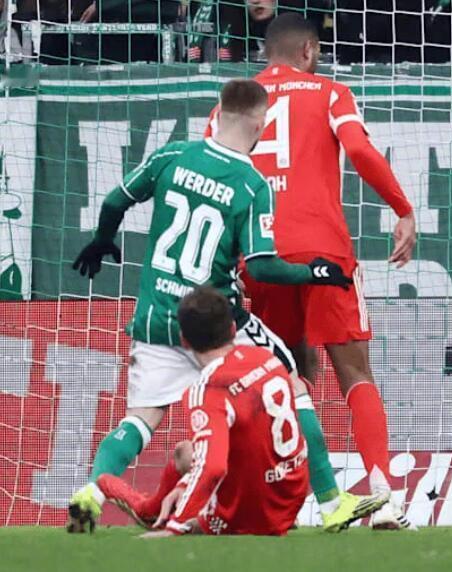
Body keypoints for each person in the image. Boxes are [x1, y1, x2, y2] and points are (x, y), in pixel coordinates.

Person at [66, 79, 386, 534]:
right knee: (293, 385)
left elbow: (115, 200)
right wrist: (313, 272)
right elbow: (263, 265)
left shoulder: (171, 155)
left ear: (217, 113)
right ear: (260, 124)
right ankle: (332, 503)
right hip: (219, 324)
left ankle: (91, 493)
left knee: (141, 419)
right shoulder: (252, 184)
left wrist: (102, 239)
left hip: (157, 316)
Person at [205, 13, 417, 529]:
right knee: (355, 373)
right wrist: (402, 208)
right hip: (324, 254)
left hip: (261, 257)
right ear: (308, 50)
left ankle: (297, 496)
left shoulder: (232, 105)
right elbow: (359, 149)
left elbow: (211, 175)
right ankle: (384, 496)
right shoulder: (329, 92)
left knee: (284, 378)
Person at [102, 287, 310, 536]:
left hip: (247, 514)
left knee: (191, 458)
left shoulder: (208, 389)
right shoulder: (267, 358)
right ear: (233, 329)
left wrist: (176, 526)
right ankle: (162, 505)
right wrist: (184, 485)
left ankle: (144, 507)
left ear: (184, 341)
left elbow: (213, 467)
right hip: (293, 497)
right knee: (186, 452)